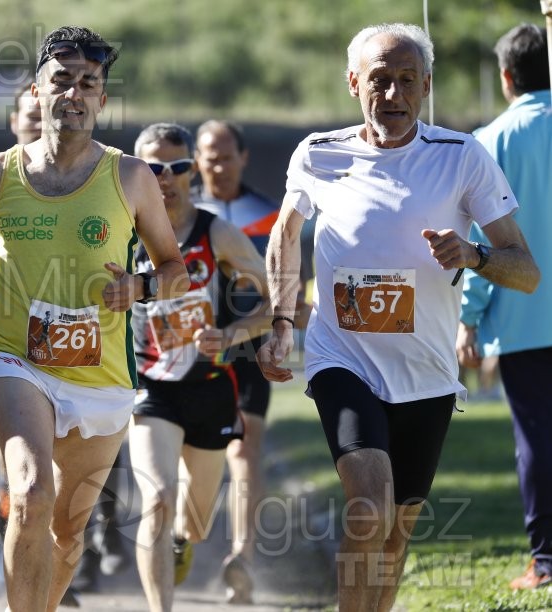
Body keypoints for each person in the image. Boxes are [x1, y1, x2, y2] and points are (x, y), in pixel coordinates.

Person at [256, 23, 539, 612]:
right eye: (379, 81)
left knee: (395, 535)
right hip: (343, 359)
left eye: (407, 81)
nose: (393, 94)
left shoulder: (463, 157)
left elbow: (526, 270)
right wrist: (282, 321)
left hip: (427, 373)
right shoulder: (318, 153)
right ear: (353, 83)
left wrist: (475, 254)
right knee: (369, 506)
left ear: (426, 86)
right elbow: (285, 231)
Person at [0, 26, 189, 610]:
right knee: (32, 492)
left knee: (69, 532)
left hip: (100, 372)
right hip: (14, 355)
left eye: (87, 83)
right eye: (61, 80)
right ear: (37, 91)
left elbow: (176, 270)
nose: (73, 93)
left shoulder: (131, 178)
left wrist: (138, 286)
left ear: (102, 100)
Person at [0, 84, 128, 604]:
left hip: (92, 353)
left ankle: (74, 543)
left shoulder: (105, 174)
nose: (37, 128)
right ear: (15, 121)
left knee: (71, 502)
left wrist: (139, 286)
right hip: (8, 343)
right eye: (29, 119)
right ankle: (15, 507)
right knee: (27, 478)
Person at [129, 122, 269, 612]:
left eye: (178, 167)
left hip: (210, 388)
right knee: (158, 499)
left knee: (196, 523)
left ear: (193, 170)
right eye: (152, 168)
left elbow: (274, 302)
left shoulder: (218, 233)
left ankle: (184, 541)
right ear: (135, 170)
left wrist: (231, 335)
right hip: (151, 388)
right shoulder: (121, 232)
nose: (165, 178)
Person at [456, 22, 552, 590]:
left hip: (523, 316)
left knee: (538, 439)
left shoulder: (491, 140)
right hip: (524, 318)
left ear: (506, 77)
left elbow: (480, 244)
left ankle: (545, 562)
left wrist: (469, 315)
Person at [192, 119, 283, 603]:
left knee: (245, 450)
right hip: (188, 353)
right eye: (209, 155)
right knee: (195, 458)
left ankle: (242, 557)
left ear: (244, 158)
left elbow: (286, 288)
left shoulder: (269, 215)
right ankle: (183, 535)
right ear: (196, 159)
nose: (218, 165)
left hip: (248, 350)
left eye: (227, 156)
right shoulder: (177, 212)